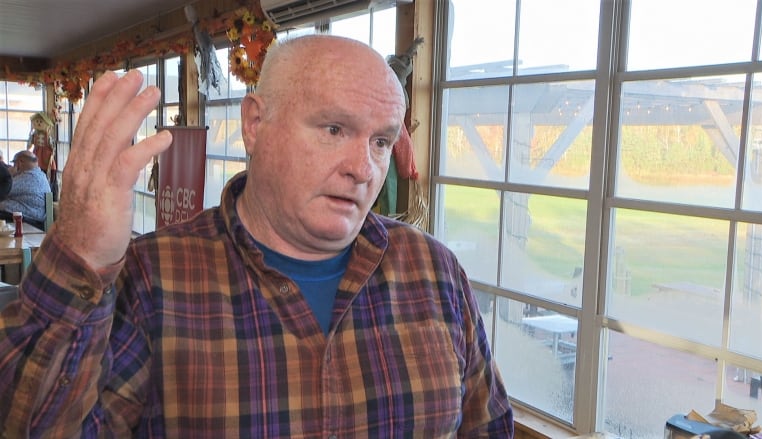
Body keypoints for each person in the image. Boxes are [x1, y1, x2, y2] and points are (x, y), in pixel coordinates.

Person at [0, 35, 513, 437]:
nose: (363, 168)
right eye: (334, 129)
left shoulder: (435, 273)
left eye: (381, 141)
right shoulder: (153, 281)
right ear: (255, 123)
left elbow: (488, 427)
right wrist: (81, 254)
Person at [0, 150, 51, 229]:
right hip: (21, 217)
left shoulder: (29, 177)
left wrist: (8, 176)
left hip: (29, 220)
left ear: (19, 162)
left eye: (14, 163)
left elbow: (3, 189)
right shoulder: (39, 174)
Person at [26, 111, 58, 200]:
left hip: (46, 156)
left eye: (41, 121)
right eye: (37, 121)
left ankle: (50, 195)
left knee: (48, 174)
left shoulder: (48, 136)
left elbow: (52, 146)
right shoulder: (34, 135)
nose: (39, 123)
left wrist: (52, 150)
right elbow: (29, 145)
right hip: (36, 155)